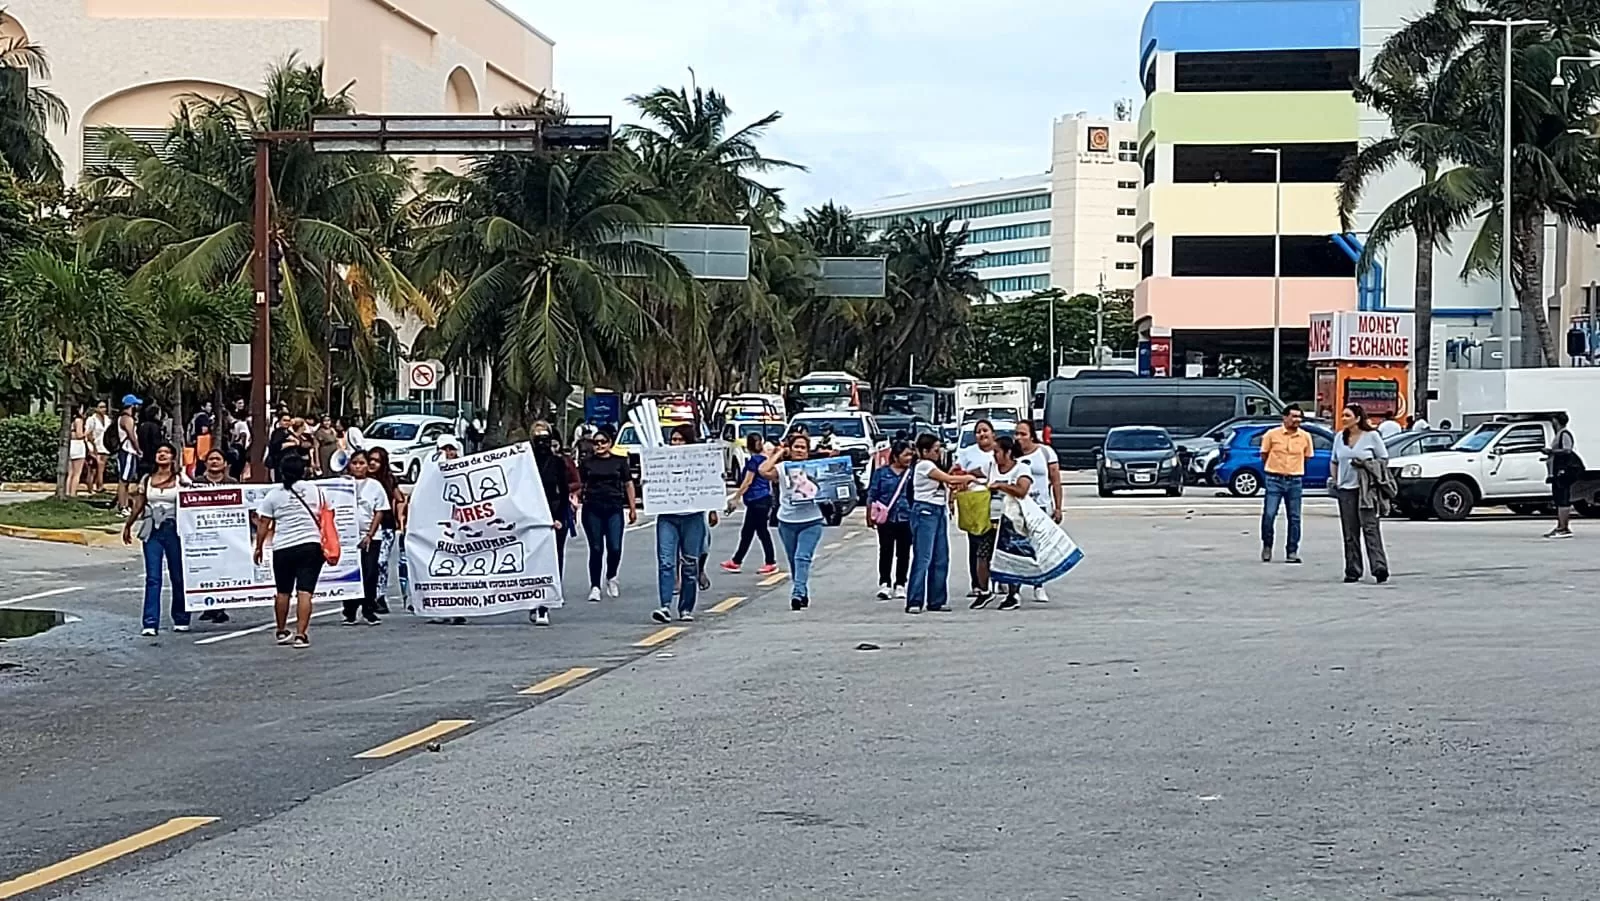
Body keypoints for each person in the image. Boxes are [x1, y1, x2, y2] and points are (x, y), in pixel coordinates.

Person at [254, 453, 326, 649]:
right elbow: (325, 513)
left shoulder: (274, 495)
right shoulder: (314, 490)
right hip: (310, 545)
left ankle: (281, 630)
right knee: (305, 592)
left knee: (283, 591)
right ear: (303, 471)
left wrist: (259, 547)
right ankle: (301, 635)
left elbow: (263, 523)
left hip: (283, 547)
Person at [123, 441, 191, 637]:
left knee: (177, 575)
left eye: (166, 452)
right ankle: (150, 622)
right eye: (159, 452)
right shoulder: (147, 479)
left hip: (174, 530)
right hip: (152, 530)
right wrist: (128, 525)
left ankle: (181, 618)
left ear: (173, 457)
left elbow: (193, 500)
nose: (162, 455)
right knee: (153, 577)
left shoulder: (181, 479)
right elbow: (139, 504)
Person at [905, 433, 977, 615]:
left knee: (941, 557)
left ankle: (937, 599)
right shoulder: (924, 465)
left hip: (938, 511)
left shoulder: (935, 466)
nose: (939, 454)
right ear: (924, 451)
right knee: (923, 557)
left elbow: (948, 482)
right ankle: (915, 599)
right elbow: (949, 479)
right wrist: (968, 478)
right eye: (935, 450)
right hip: (925, 511)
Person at [652, 425, 717, 623]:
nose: (677, 443)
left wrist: (712, 508)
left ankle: (686, 608)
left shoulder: (699, 460)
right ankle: (664, 605)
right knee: (666, 562)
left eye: (681, 439)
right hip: (667, 516)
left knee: (690, 563)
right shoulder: (661, 459)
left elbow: (710, 483)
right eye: (674, 440)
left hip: (693, 517)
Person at [760, 433, 827, 612]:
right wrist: (778, 453)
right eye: (796, 447)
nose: (799, 450)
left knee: (802, 557)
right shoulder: (782, 468)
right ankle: (802, 590)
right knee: (793, 560)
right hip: (787, 521)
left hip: (812, 520)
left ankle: (797, 593)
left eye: (803, 447)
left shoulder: (815, 467)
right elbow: (763, 471)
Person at [973, 436, 1033, 611]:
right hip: (991, 518)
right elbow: (974, 472)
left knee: (1010, 557)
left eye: (997, 452)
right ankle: (984, 591)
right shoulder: (991, 467)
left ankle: (1013, 594)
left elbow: (1022, 490)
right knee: (982, 555)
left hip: (1012, 521)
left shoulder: (1021, 468)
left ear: (1008, 452)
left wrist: (1001, 486)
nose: (994, 456)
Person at [1332, 403, 1390, 584]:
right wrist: (1336, 480)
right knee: (1350, 532)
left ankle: (1379, 567)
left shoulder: (1372, 436)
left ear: (1357, 418)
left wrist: (1366, 465)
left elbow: (1383, 459)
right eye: (1343, 415)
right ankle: (1353, 569)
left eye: (1347, 415)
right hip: (1346, 490)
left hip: (1366, 490)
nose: (1344, 419)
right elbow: (1334, 460)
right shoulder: (1339, 437)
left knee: (1370, 528)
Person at [578, 427, 637, 601]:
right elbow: (579, 484)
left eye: (603, 442)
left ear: (610, 443)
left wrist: (632, 507)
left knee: (615, 547)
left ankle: (612, 576)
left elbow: (628, 483)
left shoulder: (620, 461)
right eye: (596, 443)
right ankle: (595, 586)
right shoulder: (586, 463)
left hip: (614, 507)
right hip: (592, 508)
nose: (599, 445)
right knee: (596, 548)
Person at [529, 423, 577, 627]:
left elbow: (564, 491)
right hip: (531, 517)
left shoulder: (557, 462)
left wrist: (559, 517)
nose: (542, 442)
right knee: (533, 561)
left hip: (553, 516)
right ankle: (533, 600)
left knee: (554, 559)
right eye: (538, 437)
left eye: (545, 437)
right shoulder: (526, 461)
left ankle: (545, 604)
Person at [1014, 421, 1062, 602]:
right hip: (1019, 507)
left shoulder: (1045, 452)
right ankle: (1015, 587)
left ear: (1032, 436)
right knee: (1019, 548)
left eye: (1023, 434)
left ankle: (1039, 585)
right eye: (1016, 434)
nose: (1019, 438)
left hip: (1040, 506)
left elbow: (1055, 480)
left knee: (1039, 548)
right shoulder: (1013, 455)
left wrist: (1058, 507)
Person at [1259, 404, 1313, 565]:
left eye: (1299, 417)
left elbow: (1307, 457)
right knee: (1269, 514)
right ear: (1285, 417)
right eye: (1293, 416)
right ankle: (1267, 545)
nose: (1297, 420)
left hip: (1295, 480)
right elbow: (1264, 454)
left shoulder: (1305, 437)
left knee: (1294, 517)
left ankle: (1292, 551)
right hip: (1274, 479)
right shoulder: (1271, 434)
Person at [344, 449, 390, 625]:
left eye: (361, 463)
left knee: (370, 573)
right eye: (354, 463)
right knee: (350, 573)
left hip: (371, 536)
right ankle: (349, 611)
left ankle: (368, 609)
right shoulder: (343, 484)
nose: (358, 467)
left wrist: (370, 534)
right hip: (348, 536)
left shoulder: (375, 486)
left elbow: (379, 511)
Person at [865, 440, 915, 600]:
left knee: (904, 552)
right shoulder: (881, 473)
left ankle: (900, 583)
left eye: (910, 455)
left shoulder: (912, 473)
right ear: (895, 456)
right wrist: (869, 514)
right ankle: (885, 583)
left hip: (906, 517)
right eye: (905, 455)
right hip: (886, 518)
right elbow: (872, 494)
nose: (909, 458)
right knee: (886, 550)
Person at [723, 432, 778, 576]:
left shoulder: (754, 461)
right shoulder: (765, 460)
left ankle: (770, 562)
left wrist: (736, 498)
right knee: (748, 532)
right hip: (762, 499)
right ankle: (736, 561)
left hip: (757, 500)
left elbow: (747, 481)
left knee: (761, 532)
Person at [954, 419, 998, 598]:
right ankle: (977, 584)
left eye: (985, 430)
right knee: (976, 544)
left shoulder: (999, 452)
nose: (982, 434)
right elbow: (956, 473)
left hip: (996, 503)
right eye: (978, 432)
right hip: (974, 503)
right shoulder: (967, 453)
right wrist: (965, 478)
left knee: (997, 544)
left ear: (993, 434)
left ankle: (999, 581)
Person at [194, 448, 238, 624]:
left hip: (226, 535)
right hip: (203, 534)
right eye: (211, 459)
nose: (214, 462)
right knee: (205, 570)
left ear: (225, 463)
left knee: (223, 572)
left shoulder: (232, 483)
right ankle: (208, 606)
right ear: (205, 463)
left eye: (218, 459)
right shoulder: (197, 483)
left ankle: (220, 607)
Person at [366, 445, 403, 615]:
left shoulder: (388, 479)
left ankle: (379, 596)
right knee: (367, 564)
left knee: (381, 562)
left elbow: (399, 498)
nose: (373, 464)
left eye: (377, 461)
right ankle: (367, 597)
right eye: (370, 460)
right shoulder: (362, 479)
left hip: (386, 525)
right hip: (365, 525)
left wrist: (400, 518)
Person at [1544, 411, 1581, 540]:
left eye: (1553, 420)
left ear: (1556, 421)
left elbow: (1567, 450)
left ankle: (1563, 527)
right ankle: (1561, 526)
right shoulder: (1559, 434)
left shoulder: (1564, 434)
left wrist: (1552, 451)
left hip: (1563, 471)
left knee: (1563, 499)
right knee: (1559, 499)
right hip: (1557, 470)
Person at [113, 395, 143, 515]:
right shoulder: (127, 419)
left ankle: (124, 504)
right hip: (127, 451)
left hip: (128, 451)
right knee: (123, 480)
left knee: (127, 480)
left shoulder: (124, 418)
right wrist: (138, 449)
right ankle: (122, 506)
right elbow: (131, 436)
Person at [86, 399, 111, 495]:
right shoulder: (91, 419)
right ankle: (91, 488)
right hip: (95, 446)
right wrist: (93, 447)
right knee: (93, 469)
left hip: (105, 446)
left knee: (101, 468)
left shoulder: (107, 419)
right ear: (96, 408)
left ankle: (100, 486)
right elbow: (88, 434)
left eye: (104, 407)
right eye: (101, 407)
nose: (103, 409)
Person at [137, 404, 166, 475]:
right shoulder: (155, 426)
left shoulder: (143, 425)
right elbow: (156, 443)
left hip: (143, 457)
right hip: (152, 458)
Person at [68, 405, 88, 497]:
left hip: (71, 445)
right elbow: (79, 435)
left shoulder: (70, 420)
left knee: (70, 473)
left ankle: (67, 492)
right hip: (78, 445)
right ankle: (73, 493)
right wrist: (87, 432)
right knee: (77, 473)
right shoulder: (79, 420)